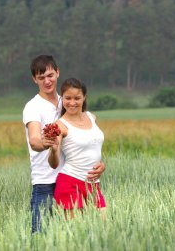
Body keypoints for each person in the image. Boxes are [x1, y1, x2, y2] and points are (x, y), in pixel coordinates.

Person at [22, 55, 105, 233]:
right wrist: (49, 142)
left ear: (58, 73)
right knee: (41, 237)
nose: (47, 81)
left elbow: (87, 138)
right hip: (45, 181)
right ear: (34, 79)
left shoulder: (67, 100)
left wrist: (99, 164)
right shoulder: (33, 107)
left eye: (50, 75)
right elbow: (35, 141)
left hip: (74, 178)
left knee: (76, 237)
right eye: (41, 77)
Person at [47, 78, 106, 219]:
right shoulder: (59, 125)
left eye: (77, 98)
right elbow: (53, 164)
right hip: (70, 184)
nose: (72, 103)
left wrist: (102, 165)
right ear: (62, 98)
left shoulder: (92, 117)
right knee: (76, 234)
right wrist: (54, 150)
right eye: (67, 98)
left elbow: (93, 148)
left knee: (105, 228)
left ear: (84, 97)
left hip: (93, 185)